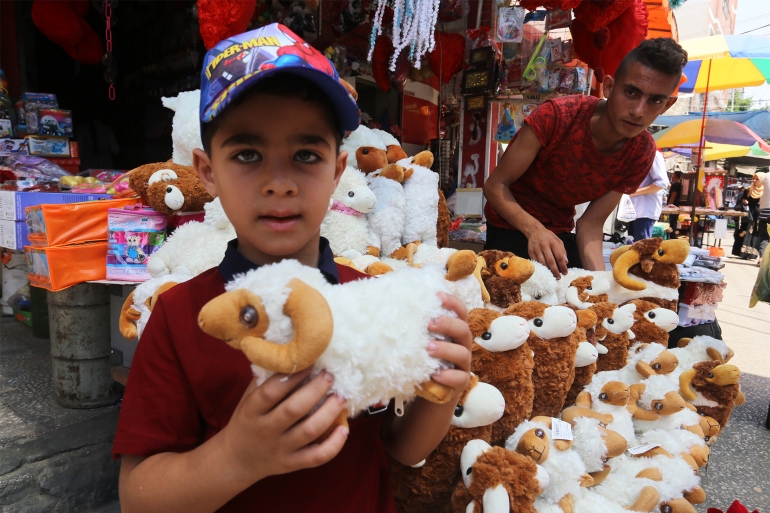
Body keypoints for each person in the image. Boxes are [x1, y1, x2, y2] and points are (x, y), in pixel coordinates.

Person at [113, 24, 472, 513]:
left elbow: (401, 447)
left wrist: (444, 386)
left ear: (337, 172)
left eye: (306, 155)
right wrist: (237, 456)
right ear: (207, 172)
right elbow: (138, 497)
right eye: (247, 154)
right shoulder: (181, 317)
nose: (280, 182)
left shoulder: (367, 296)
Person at [483, 38, 687, 278]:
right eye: (631, 92)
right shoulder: (557, 117)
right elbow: (495, 185)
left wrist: (602, 287)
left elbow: (590, 224)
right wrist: (535, 230)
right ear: (609, 87)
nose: (639, 111)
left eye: (655, 100)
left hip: (560, 234)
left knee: (582, 302)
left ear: (667, 105)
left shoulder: (641, 152)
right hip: (509, 226)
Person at [628, 150, 669, 241]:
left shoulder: (653, 154)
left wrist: (633, 193)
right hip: (631, 211)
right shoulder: (633, 154)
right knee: (631, 249)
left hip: (644, 212)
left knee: (642, 249)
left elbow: (662, 183)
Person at [666, 169, 683, 238]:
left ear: (675, 175)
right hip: (676, 207)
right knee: (673, 224)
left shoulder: (675, 185)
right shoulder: (679, 184)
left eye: (673, 174)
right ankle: (672, 237)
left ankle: (670, 238)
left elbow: (673, 196)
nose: (672, 176)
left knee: (670, 224)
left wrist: (668, 206)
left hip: (672, 207)